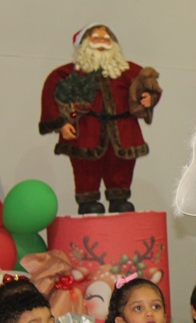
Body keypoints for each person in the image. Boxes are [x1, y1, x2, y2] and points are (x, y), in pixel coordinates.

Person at [39, 23, 161, 214]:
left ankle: (119, 197)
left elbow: (148, 85)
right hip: (86, 130)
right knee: (85, 168)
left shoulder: (127, 71)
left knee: (121, 166)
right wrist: (62, 123)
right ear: (84, 44)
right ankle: (87, 200)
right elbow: (50, 97)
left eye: (106, 39)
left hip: (123, 129)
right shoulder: (67, 74)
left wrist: (149, 97)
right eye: (96, 38)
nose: (102, 43)